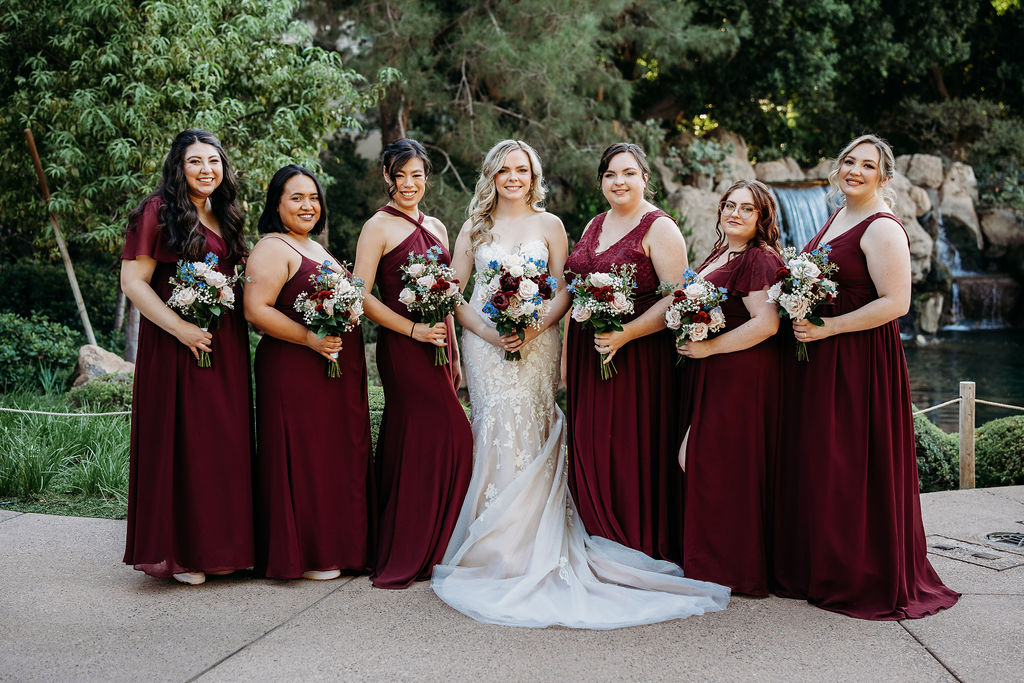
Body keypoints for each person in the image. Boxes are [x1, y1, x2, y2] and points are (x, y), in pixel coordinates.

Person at [431, 139, 729, 628]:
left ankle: (533, 539)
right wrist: (487, 332)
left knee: (534, 425)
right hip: (486, 345)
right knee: (494, 429)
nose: (513, 178)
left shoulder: (553, 225)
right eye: (504, 170)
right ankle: (490, 544)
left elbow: (568, 285)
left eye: (522, 170)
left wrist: (534, 327)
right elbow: (450, 291)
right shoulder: (473, 227)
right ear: (491, 175)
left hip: (539, 338)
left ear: (533, 175)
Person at [773, 134, 959, 619]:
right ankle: (821, 562)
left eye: (867, 165)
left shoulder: (883, 228)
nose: (855, 170)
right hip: (821, 354)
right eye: (849, 161)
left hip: (857, 360)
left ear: (884, 175)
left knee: (852, 459)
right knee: (823, 458)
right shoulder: (837, 215)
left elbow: (897, 304)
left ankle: (860, 569)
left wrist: (829, 325)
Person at [120, 129, 253, 585]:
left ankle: (222, 547)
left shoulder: (225, 214)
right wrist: (181, 330)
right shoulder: (156, 211)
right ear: (178, 166)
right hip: (176, 343)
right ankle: (184, 553)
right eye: (195, 162)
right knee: (188, 441)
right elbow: (134, 283)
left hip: (225, 344)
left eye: (213, 162)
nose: (206, 170)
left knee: (224, 442)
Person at [352, 138, 473, 589]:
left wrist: (454, 350)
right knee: (452, 437)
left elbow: (446, 294)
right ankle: (412, 547)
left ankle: (427, 540)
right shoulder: (377, 227)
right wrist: (412, 331)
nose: (408, 184)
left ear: (427, 177)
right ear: (387, 176)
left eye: (416, 175)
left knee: (417, 442)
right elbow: (361, 296)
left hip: (438, 346)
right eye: (400, 175)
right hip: (403, 346)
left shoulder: (438, 227)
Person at [244, 165, 373, 580]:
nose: (307, 205)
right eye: (296, 197)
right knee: (304, 457)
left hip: (331, 371)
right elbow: (255, 310)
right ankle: (306, 553)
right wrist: (310, 339)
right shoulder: (272, 247)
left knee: (331, 457)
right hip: (296, 369)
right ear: (276, 204)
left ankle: (335, 547)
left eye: (313, 197)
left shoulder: (317, 248)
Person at [563, 142, 689, 563]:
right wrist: (566, 356)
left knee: (626, 447)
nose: (619, 182)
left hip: (637, 359)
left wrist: (627, 333)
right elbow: (574, 292)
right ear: (601, 181)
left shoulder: (660, 227)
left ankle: (632, 543)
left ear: (644, 178)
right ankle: (595, 534)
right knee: (589, 441)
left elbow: (677, 300)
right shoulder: (592, 225)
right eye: (611, 175)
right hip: (588, 352)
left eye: (629, 173)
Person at [675, 179, 784, 596]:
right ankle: (712, 562)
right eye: (730, 205)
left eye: (747, 209)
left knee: (709, 461)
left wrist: (711, 347)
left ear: (762, 218)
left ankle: (734, 569)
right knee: (707, 462)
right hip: (714, 369)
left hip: (739, 372)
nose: (735, 213)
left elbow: (767, 323)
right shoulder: (723, 250)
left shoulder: (758, 258)